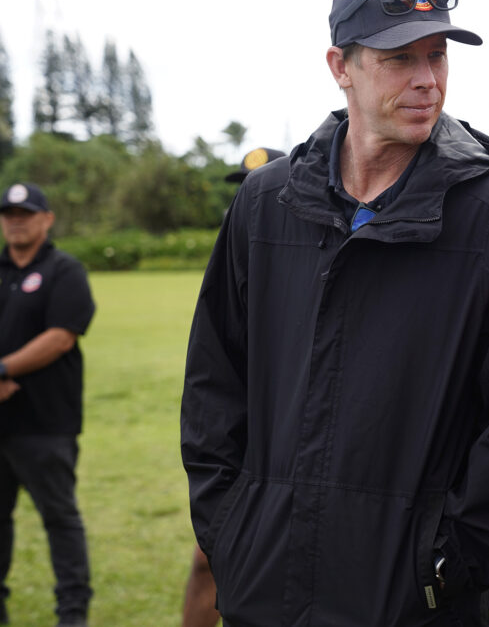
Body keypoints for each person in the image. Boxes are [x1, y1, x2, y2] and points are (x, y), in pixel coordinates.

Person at [181, 0, 489, 626]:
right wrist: (230, 531)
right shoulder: (266, 206)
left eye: (438, 55)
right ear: (340, 65)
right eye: (399, 57)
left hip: (417, 600)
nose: (427, 80)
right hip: (266, 583)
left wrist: (448, 566)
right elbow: (215, 380)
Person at [0, 182, 96, 627]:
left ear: (46, 219)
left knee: (59, 517)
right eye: (8, 214)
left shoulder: (65, 271)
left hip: (45, 422)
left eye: (25, 213)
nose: (15, 220)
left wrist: (0, 370)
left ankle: (72, 612)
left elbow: (62, 335)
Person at [181, 147, 284, 627]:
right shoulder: (237, 241)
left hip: (288, 443)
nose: (248, 194)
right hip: (237, 438)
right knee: (208, 559)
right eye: (241, 185)